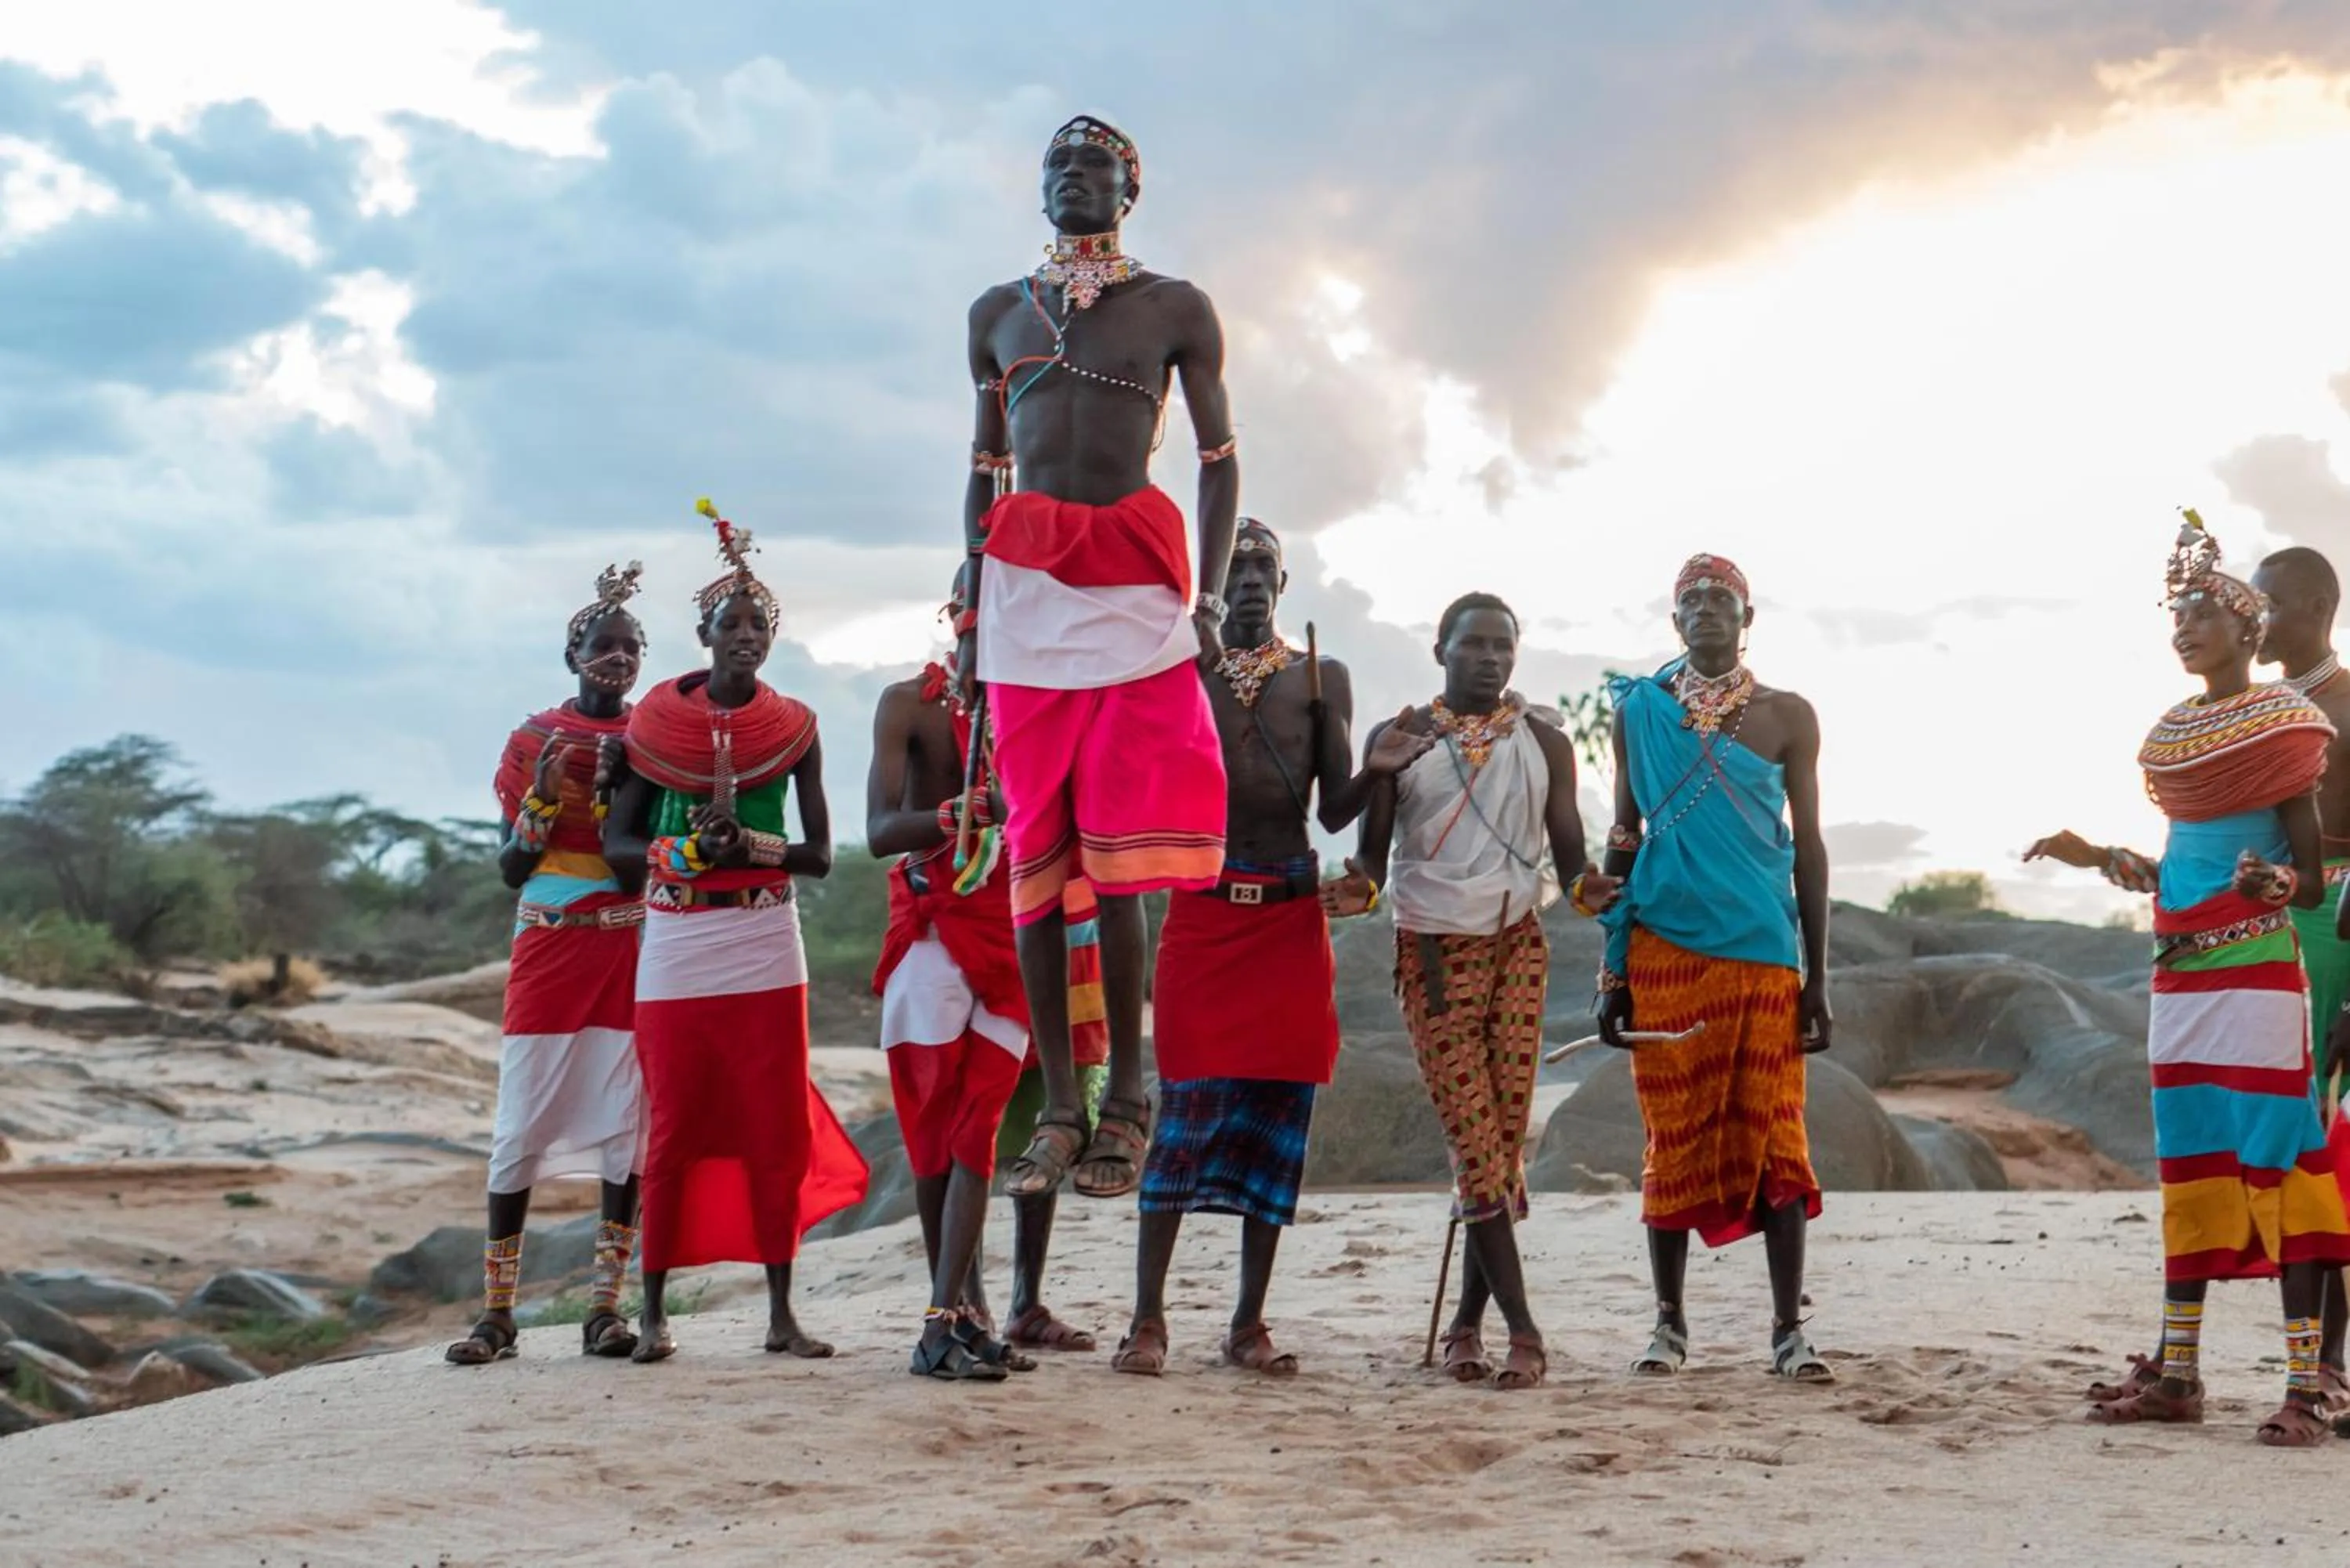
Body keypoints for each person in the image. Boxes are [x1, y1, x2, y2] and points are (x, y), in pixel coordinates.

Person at [2029, 512, 2350, 1447]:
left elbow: (2314, 878)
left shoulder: (2289, 725)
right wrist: (2100, 858)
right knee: (2194, 1165)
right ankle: (2179, 1373)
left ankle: (2307, 1384)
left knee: (2284, 1163)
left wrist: (2275, 885)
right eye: (2176, 613)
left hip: (2258, 973)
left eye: (2203, 610)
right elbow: (2174, 871)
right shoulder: (2173, 729)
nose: (2183, 626)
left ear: (2252, 630)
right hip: (2180, 979)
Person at [961, 114, 1236, 1201]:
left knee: (1118, 849)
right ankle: (1064, 1110)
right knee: (1038, 850)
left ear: (1132, 187)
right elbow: (982, 463)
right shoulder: (996, 313)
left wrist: (1209, 592)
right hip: (1022, 583)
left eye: (1097, 164)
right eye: (1057, 165)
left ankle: (1132, 1092)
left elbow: (1218, 459)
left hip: (1132, 578)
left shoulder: (1175, 307)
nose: (1074, 177)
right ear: (1039, 191)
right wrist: (969, 590)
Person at [1112, 520, 1430, 1377]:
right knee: (1183, 1116)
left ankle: (1247, 1324)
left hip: (1289, 919)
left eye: (1265, 568)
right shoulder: (1183, 674)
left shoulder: (1319, 678)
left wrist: (1380, 766)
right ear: (1214, 581)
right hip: (1204, 916)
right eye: (1238, 566)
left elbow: (1333, 813)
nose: (1251, 580)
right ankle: (1147, 1320)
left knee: (1279, 1117)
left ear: (1283, 586)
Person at [604, 499, 869, 1364]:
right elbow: (620, 845)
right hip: (678, 942)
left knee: (772, 1125)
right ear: (706, 632)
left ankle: (782, 1314)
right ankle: (653, 1314)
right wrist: (684, 848)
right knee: (675, 1122)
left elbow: (821, 854)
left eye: (760, 623)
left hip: (764, 939)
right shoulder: (655, 725)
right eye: (732, 622)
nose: (747, 634)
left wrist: (751, 845)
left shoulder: (792, 731)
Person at [1341, 592, 1613, 1393]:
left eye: (1503, 646)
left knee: (1495, 1143)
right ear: (1441, 652)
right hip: (1430, 949)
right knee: (1476, 1142)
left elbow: (1569, 863)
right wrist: (1349, 892)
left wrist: (1597, 888)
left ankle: (1465, 1326)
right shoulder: (1402, 738)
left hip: (1519, 951)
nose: (1490, 658)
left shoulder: (1545, 742)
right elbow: (1370, 859)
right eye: (1474, 645)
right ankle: (1524, 1331)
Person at [1594, 553, 1835, 1383]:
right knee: (1671, 1132)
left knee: (1777, 1133)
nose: (1705, 611)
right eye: (1690, 600)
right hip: (1663, 945)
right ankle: (1669, 1324)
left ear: (1747, 618)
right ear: (1674, 623)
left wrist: (1819, 980)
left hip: (1764, 952)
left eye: (1720, 600)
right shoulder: (1641, 714)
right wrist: (1611, 970)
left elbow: (1809, 849)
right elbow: (1623, 837)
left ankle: (1787, 1331)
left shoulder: (1787, 715)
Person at [865, 609, 1108, 1378]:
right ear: (958, 617)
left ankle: (953, 1322)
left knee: (977, 1133)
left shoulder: (1043, 709)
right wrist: (960, 812)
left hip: (1017, 942)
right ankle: (950, 1319)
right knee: (936, 1135)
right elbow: (879, 830)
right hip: (934, 933)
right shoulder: (910, 704)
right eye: (980, 612)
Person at [448, 564, 650, 1366]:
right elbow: (509, 867)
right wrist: (538, 809)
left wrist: (608, 808)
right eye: (602, 645)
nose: (618, 659)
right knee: (519, 1124)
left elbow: (638, 868)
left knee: (624, 1129)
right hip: (547, 943)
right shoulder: (533, 740)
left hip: (626, 944)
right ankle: (498, 1313)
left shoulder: (649, 740)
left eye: (631, 647)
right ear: (571, 654)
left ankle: (605, 1308)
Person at [2254, 544, 2350, 1409]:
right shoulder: (2256, 711)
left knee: (2330, 1149)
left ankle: (2328, 1364)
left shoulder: (2348, 706)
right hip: (2270, 927)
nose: (2258, 618)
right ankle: (2316, 1358)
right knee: (2293, 1146)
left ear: (2318, 607)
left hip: (2339, 927)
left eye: (2271, 604)